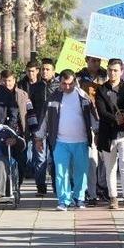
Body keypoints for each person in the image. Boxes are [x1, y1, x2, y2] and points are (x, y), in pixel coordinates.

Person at [35, 70, 97, 211]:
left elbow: (93, 116)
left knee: (81, 172)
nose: (67, 87)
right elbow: (44, 120)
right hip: (60, 142)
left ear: (75, 81)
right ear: (60, 82)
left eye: (70, 83)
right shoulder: (53, 98)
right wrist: (39, 138)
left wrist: (98, 133)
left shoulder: (83, 97)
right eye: (64, 83)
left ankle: (79, 198)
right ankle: (64, 200)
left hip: (81, 141)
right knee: (61, 172)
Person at [95, 58, 124, 210]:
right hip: (108, 134)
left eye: (116, 70)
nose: (113, 73)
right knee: (110, 167)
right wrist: (116, 119)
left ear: (122, 71)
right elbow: (101, 111)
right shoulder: (101, 89)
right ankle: (113, 197)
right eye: (110, 70)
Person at [77, 56, 108, 205]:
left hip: (105, 119)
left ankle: (103, 186)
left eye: (98, 61)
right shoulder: (78, 77)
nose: (96, 64)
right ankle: (92, 192)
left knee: (106, 157)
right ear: (86, 60)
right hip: (87, 120)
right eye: (93, 60)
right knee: (92, 158)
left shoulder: (106, 75)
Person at [18, 60, 49, 195]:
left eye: (33, 71)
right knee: (23, 156)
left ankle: (41, 186)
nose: (30, 73)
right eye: (28, 71)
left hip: (38, 125)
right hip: (23, 125)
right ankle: (16, 186)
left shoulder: (43, 86)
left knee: (40, 157)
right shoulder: (20, 85)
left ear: (37, 71)